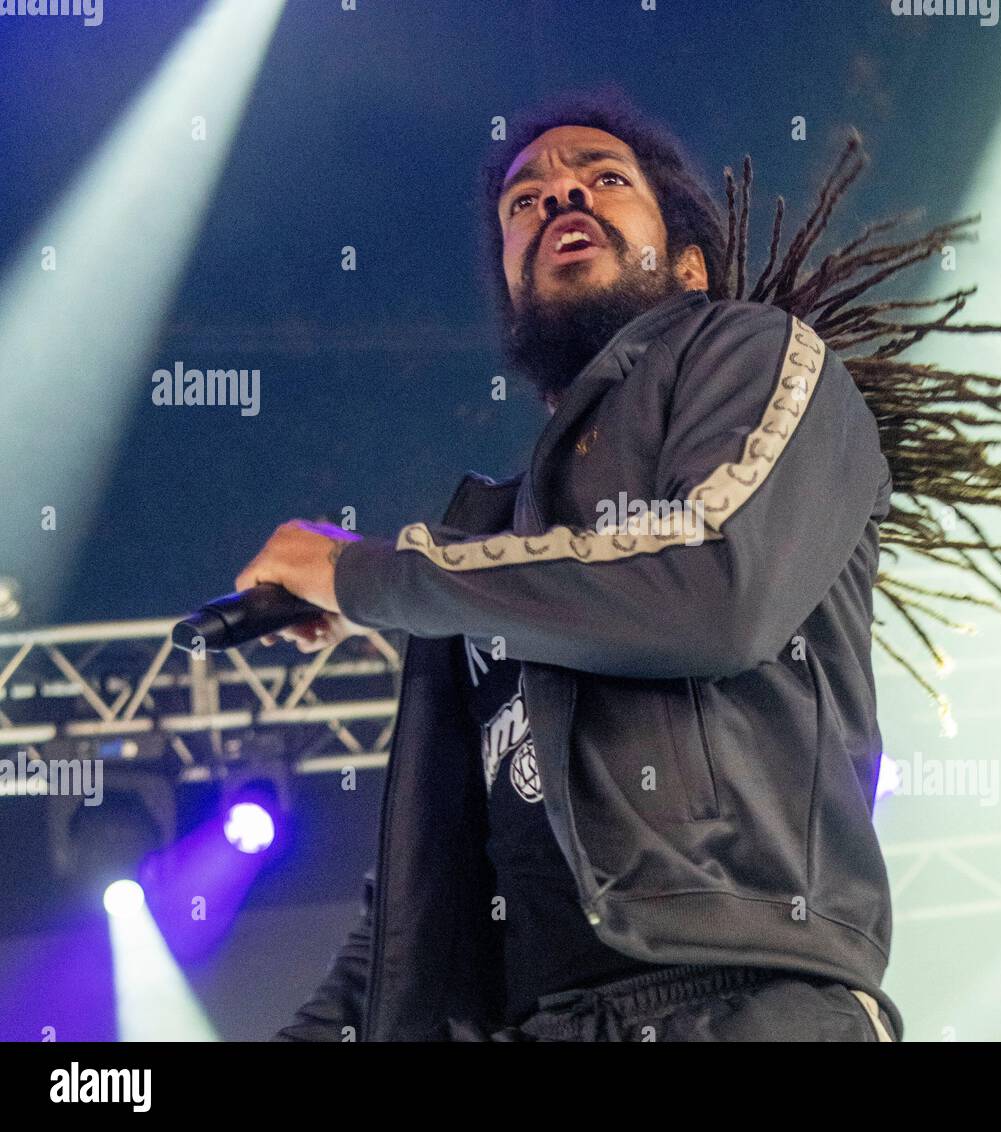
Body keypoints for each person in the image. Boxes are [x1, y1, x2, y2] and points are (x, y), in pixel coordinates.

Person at [239, 91, 902, 1042]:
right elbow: (420, 916)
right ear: (511, 288)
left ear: (689, 264)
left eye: (604, 178)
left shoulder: (757, 355)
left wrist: (370, 577)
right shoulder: (494, 547)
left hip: (748, 1002)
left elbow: (713, 591)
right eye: (526, 201)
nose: (560, 199)